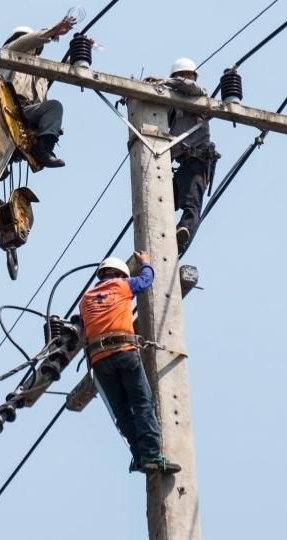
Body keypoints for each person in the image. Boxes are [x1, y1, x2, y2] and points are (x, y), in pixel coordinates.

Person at [78, 252, 182, 474]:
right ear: (120, 274)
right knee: (143, 404)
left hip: (99, 361)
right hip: (124, 352)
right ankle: (152, 454)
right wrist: (146, 262)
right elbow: (145, 280)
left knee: (123, 412)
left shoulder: (85, 299)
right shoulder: (122, 285)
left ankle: (139, 456)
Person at [0, 16, 78, 168]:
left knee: (54, 107)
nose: (29, 45)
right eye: (24, 40)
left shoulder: (41, 69)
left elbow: (65, 66)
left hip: (28, 114)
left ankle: (43, 151)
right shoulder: (8, 54)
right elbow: (24, 42)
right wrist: (52, 32)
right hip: (4, 108)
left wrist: (82, 49)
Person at [145, 58, 221, 255]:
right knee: (161, 201)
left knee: (191, 205)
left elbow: (189, 86)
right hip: (183, 165)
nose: (184, 78)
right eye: (181, 75)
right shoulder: (171, 105)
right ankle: (163, 237)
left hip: (198, 162)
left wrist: (162, 81)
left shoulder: (198, 94)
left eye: (187, 75)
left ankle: (182, 234)